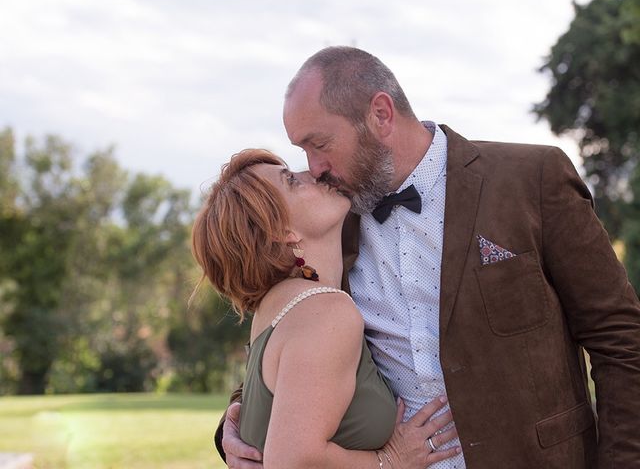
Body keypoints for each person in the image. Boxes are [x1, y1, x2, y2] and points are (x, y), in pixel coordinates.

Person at [218, 47, 640, 468]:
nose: (315, 167)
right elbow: (296, 349)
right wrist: (234, 427)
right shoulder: (329, 226)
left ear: (380, 114)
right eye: (303, 150)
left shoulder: (531, 178)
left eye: (320, 144)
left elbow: (621, 340)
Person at [192, 148, 461, 468]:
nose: (313, 173)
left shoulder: (279, 307)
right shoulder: (326, 312)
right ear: (282, 233)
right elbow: (292, 462)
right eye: (292, 180)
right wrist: (391, 460)